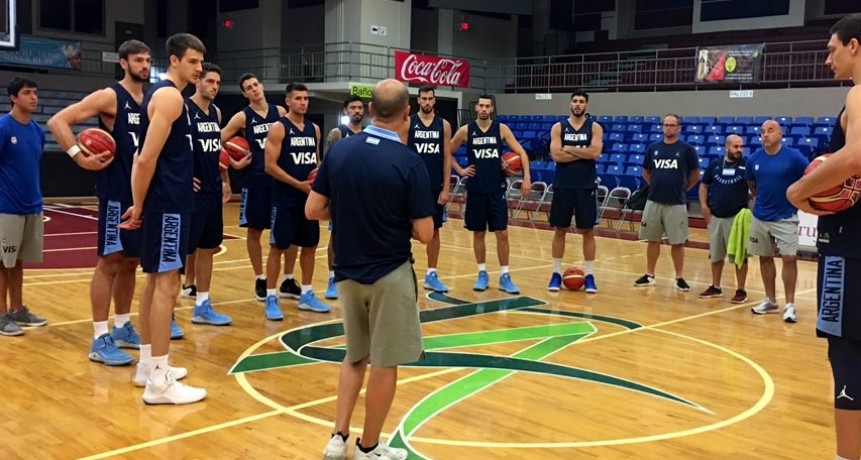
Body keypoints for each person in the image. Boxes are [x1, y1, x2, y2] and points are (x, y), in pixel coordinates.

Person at [307, 79, 433, 460]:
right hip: (389, 272)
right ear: (407, 113)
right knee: (384, 362)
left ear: (371, 110)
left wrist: (348, 214)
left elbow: (313, 210)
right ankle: (368, 447)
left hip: (345, 271)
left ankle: (338, 438)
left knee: (354, 356)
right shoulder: (410, 162)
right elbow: (426, 233)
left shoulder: (340, 150)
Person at [787, 13, 861, 460]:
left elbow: (856, 156)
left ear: (854, 46)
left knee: (847, 354)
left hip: (849, 251)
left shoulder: (859, 93)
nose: (827, 58)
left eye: (832, 49)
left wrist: (800, 190)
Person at [47, 40, 149, 362]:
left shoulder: (150, 101)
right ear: (123, 63)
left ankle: (121, 326)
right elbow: (58, 121)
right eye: (138, 60)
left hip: (140, 194)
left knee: (131, 263)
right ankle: (99, 337)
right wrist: (79, 156)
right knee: (109, 262)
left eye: (148, 60)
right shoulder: (110, 96)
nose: (145, 66)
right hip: (116, 193)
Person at [119, 33, 207, 405]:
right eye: (192, 62)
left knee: (156, 283)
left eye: (201, 62)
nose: (199, 69)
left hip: (169, 200)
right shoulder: (170, 97)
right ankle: (159, 381)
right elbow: (144, 158)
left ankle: (146, 365)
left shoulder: (170, 98)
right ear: (174, 61)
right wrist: (138, 205)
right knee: (167, 285)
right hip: (166, 205)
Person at [220, 73, 297, 301]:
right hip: (255, 181)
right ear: (244, 94)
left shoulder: (280, 113)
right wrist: (232, 162)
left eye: (256, 85)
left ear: (261, 86)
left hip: (280, 179)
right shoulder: (243, 117)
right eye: (249, 88)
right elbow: (219, 138)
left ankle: (288, 278)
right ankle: (260, 278)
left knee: (288, 230)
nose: (254, 89)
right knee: (254, 231)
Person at [262, 83, 330, 320]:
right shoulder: (279, 128)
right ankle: (271, 296)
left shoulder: (314, 129)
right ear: (288, 101)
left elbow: (316, 162)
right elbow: (269, 165)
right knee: (277, 248)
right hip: (285, 199)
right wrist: (297, 184)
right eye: (298, 98)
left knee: (310, 246)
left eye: (305, 98)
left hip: (308, 199)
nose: (303, 102)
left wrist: (319, 181)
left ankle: (307, 294)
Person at [449, 95, 531, 294]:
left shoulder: (501, 129)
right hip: (476, 189)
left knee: (502, 233)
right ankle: (482, 273)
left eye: (487, 106)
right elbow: (447, 152)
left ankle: (505, 275)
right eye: (481, 106)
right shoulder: (466, 130)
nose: (484, 109)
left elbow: (521, 152)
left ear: (491, 109)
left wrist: (527, 177)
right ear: (476, 108)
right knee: (478, 233)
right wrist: (460, 170)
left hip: (496, 189)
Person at [746, 120, 807, 323]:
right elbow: (752, 185)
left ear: (780, 134)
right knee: (765, 258)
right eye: (762, 131)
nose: (765, 135)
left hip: (786, 216)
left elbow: (808, 177)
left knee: (789, 258)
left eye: (770, 131)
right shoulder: (754, 159)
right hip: (760, 216)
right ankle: (770, 300)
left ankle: (790, 304)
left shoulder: (794, 157)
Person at [185, 62, 232, 326]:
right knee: (180, 252)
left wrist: (225, 179)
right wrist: (180, 179)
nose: (214, 87)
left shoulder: (215, 112)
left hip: (213, 190)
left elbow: (217, 151)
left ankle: (202, 305)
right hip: (191, 193)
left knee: (207, 249)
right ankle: (165, 314)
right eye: (209, 81)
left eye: (217, 83)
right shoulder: (182, 109)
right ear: (197, 81)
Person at [0, 77, 48, 337]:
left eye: (35, 92)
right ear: (14, 98)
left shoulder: (37, 131)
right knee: (2, 263)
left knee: (17, 263)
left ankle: (17, 309)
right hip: (6, 207)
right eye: (27, 92)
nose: (33, 97)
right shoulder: (3, 128)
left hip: (32, 206)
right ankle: (1, 314)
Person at [634, 114, 700, 291]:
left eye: (672, 125)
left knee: (677, 242)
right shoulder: (653, 148)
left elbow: (695, 175)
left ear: (679, 128)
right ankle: (649, 275)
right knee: (652, 240)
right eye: (666, 125)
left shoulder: (686, 149)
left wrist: (683, 189)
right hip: (654, 201)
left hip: (676, 202)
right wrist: (655, 185)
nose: (668, 127)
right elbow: (646, 171)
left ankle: (679, 277)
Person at [547, 90, 603, 293]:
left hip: (586, 185)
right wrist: (583, 152)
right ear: (570, 104)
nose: (578, 104)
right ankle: (555, 273)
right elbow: (557, 156)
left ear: (586, 105)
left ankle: (589, 275)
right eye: (575, 101)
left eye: (581, 102)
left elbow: (595, 152)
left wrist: (569, 148)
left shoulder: (595, 127)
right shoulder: (558, 127)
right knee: (559, 230)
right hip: (563, 185)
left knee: (587, 231)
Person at [320, 95, 366, 300]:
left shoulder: (369, 133)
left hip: (364, 193)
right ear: (346, 111)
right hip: (341, 192)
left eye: (359, 107)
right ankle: (332, 278)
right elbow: (328, 165)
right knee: (336, 236)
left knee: (363, 236)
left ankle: (357, 274)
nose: (357, 111)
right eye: (353, 108)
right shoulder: (337, 133)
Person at [407, 85, 452, 292]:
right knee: (403, 228)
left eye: (430, 98)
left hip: (434, 186)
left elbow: (446, 157)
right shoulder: (408, 123)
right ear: (418, 100)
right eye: (423, 98)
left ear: (434, 101)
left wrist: (446, 188)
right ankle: (404, 269)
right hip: (411, 186)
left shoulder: (443, 125)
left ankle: (431, 274)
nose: (426, 102)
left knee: (434, 230)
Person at [698, 134, 750, 303]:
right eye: (736, 147)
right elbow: (704, 186)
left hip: (737, 218)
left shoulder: (746, 165)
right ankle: (716, 286)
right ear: (726, 147)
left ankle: (741, 290)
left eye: (741, 147)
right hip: (716, 216)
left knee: (739, 256)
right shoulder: (714, 165)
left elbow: (755, 188)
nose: (739, 150)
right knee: (716, 255)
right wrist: (704, 206)